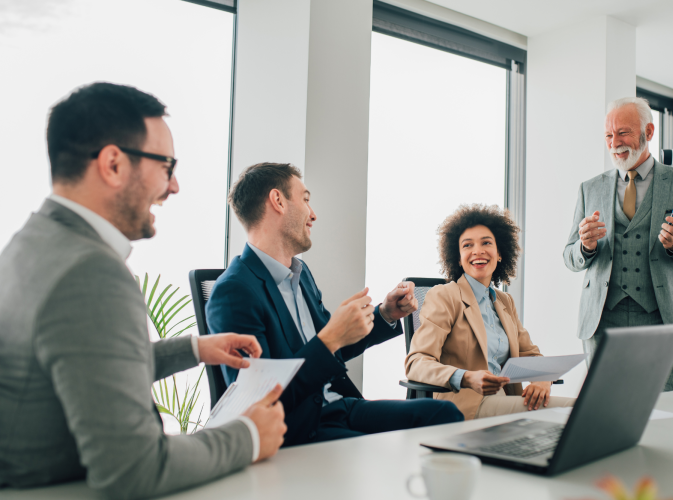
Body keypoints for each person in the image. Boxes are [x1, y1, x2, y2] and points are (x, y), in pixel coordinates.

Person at [0, 83, 287, 498]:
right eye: (166, 165)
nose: (174, 186)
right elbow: (134, 470)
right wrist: (249, 435)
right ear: (113, 164)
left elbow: (83, 367)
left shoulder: (31, 245)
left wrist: (193, 349)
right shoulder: (90, 272)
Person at [206, 162, 464, 446]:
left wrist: (386, 313)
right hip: (298, 426)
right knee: (374, 454)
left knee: (444, 413)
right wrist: (329, 338)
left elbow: (334, 349)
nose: (313, 214)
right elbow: (260, 401)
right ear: (278, 201)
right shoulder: (233, 292)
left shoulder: (300, 276)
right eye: (305, 199)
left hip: (339, 406)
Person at [563, 97, 673, 391]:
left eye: (623, 132)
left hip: (666, 318)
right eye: (608, 135)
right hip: (603, 320)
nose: (614, 142)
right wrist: (585, 246)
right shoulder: (590, 188)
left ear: (648, 131)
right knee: (605, 412)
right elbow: (569, 256)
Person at [405, 204, 575, 420]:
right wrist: (466, 377)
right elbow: (416, 362)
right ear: (458, 257)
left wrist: (544, 378)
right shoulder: (445, 296)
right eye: (467, 245)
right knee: (575, 411)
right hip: (465, 404)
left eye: (486, 243)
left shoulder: (504, 301)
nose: (478, 251)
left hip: (505, 400)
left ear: (500, 253)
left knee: (583, 408)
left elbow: (530, 354)